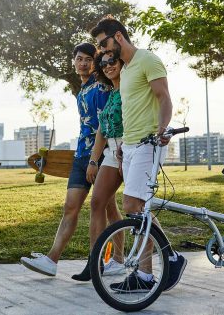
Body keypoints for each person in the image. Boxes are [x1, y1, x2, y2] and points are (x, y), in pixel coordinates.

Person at [90, 16, 187, 292]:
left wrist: (162, 129)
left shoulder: (146, 60)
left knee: (133, 207)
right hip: (130, 146)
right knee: (138, 209)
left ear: (118, 37)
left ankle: (161, 263)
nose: (103, 53)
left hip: (149, 143)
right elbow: (131, 110)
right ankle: (157, 267)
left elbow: (164, 97)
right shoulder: (128, 69)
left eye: (104, 45)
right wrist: (122, 146)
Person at [21, 42, 116, 278]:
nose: (83, 63)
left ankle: (102, 262)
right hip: (81, 155)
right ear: (73, 62)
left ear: (95, 63)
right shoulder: (82, 91)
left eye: (88, 59)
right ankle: (52, 260)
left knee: (105, 207)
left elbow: (105, 127)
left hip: (101, 156)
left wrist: (96, 159)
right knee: (71, 207)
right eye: (79, 59)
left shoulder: (102, 89)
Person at [72, 50, 125, 281]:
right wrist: (93, 160)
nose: (107, 66)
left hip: (127, 150)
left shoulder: (115, 90)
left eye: (112, 61)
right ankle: (96, 263)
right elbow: (104, 128)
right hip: (107, 152)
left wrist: (124, 152)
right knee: (99, 205)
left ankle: (168, 255)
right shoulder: (110, 91)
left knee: (135, 206)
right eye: (103, 63)